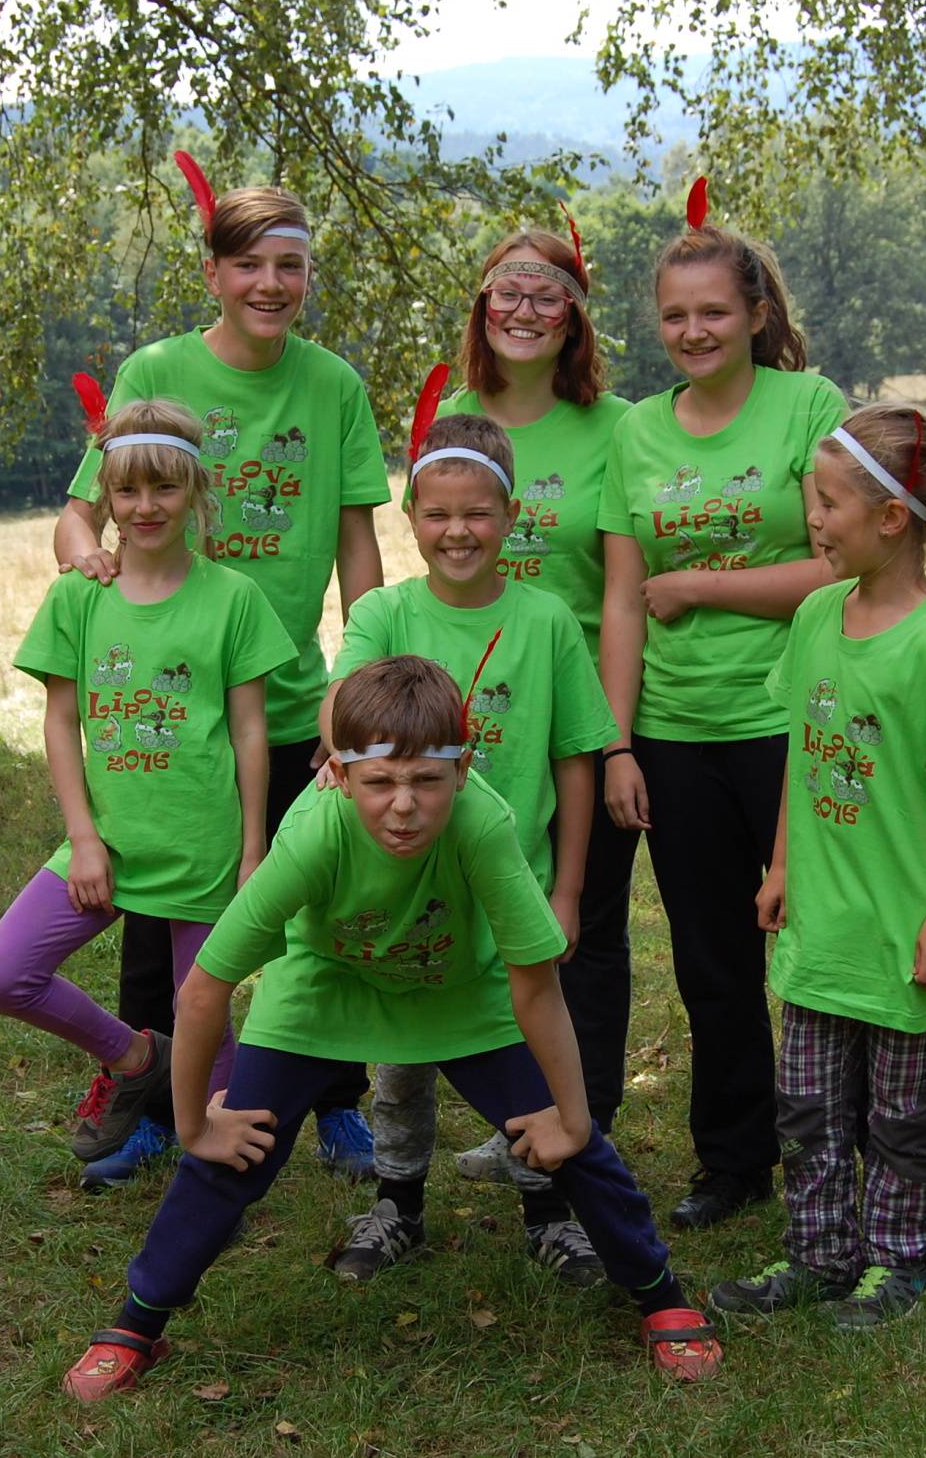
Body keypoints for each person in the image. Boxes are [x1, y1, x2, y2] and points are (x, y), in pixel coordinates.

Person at [63, 655, 722, 1401]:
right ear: (341, 775)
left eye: (426, 781)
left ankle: (661, 1294)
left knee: (574, 1143)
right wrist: (193, 1125)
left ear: (463, 769)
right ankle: (135, 1323)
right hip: (325, 989)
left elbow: (536, 986)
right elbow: (205, 987)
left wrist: (571, 1119)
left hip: (457, 992)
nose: (403, 806)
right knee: (237, 1152)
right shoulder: (314, 833)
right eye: (379, 782)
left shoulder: (483, 823)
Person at [54, 155, 387, 1179]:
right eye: (249, 266)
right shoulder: (156, 371)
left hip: (288, 708)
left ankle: (334, 1100)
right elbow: (79, 513)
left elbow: (357, 545)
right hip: (175, 718)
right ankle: (162, 1103)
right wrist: (88, 556)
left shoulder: (332, 386)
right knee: (157, 920)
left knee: (316, 907)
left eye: (290, 266)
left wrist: (361, 679)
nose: (270, 285)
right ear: (213, 274)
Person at [710, 403, 926, 1329]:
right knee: (807, 1107)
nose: (812, 518)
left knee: (901, 1117)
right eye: (812, 499)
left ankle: (901, 1259)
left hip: (906, 934)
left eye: (828, 503)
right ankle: (818, 1255)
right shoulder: (816, 615)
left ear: (891, 517)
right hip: (825, 928)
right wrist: (779, 865)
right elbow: (804, 758)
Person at [320, 411, 617, 1286]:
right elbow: (340, 706)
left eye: (478, 512)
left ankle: (548, 1210)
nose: (459, 531)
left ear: (512, 515)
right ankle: (397, 1202)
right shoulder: (384, 612)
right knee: (401, 1054)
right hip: (404, 888)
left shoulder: (548, 620)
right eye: (439, 513)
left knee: (523, 1046)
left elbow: (575, 758)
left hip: (509, 885)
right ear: (411, 515)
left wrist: (566, 890)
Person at [0, 398, 295, 1188]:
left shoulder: (234, 598)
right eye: (127, 490)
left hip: (204, 846)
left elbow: (251, 731)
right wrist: (84, 839)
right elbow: (61, 722)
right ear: (106, 497)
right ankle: (135, 1057)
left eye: (165, 488)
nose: (146, 507)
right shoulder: (80, 597)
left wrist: (254, 849)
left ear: (197, 491)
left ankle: (214, 1168)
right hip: (108, 844)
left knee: (202, 1010)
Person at [595, 193, 845, 1228]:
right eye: (674, 315)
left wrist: (700, 585)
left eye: (712, 311)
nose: (692, 331)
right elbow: (622, 599)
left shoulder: (807, 406)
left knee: (831, 944)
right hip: (675, 730)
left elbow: (840, 566)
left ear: (754, 314)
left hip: (796, 716)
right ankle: (735, 1160)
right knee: (711, 960)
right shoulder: (637, 432)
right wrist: (616, 743)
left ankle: (867, 1147)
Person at [435, 225, 641, 1195]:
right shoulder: (451, 416)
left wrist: (614, 740)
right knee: (493, 922)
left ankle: (583, 1126)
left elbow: (620, 591)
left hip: (583, 715)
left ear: (575, 316)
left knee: (581, 927)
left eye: (546, 294)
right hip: (481, 721)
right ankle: (518, 1114)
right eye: (506, 293)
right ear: (482, 307)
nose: (523, 311)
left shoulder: (616, 427)